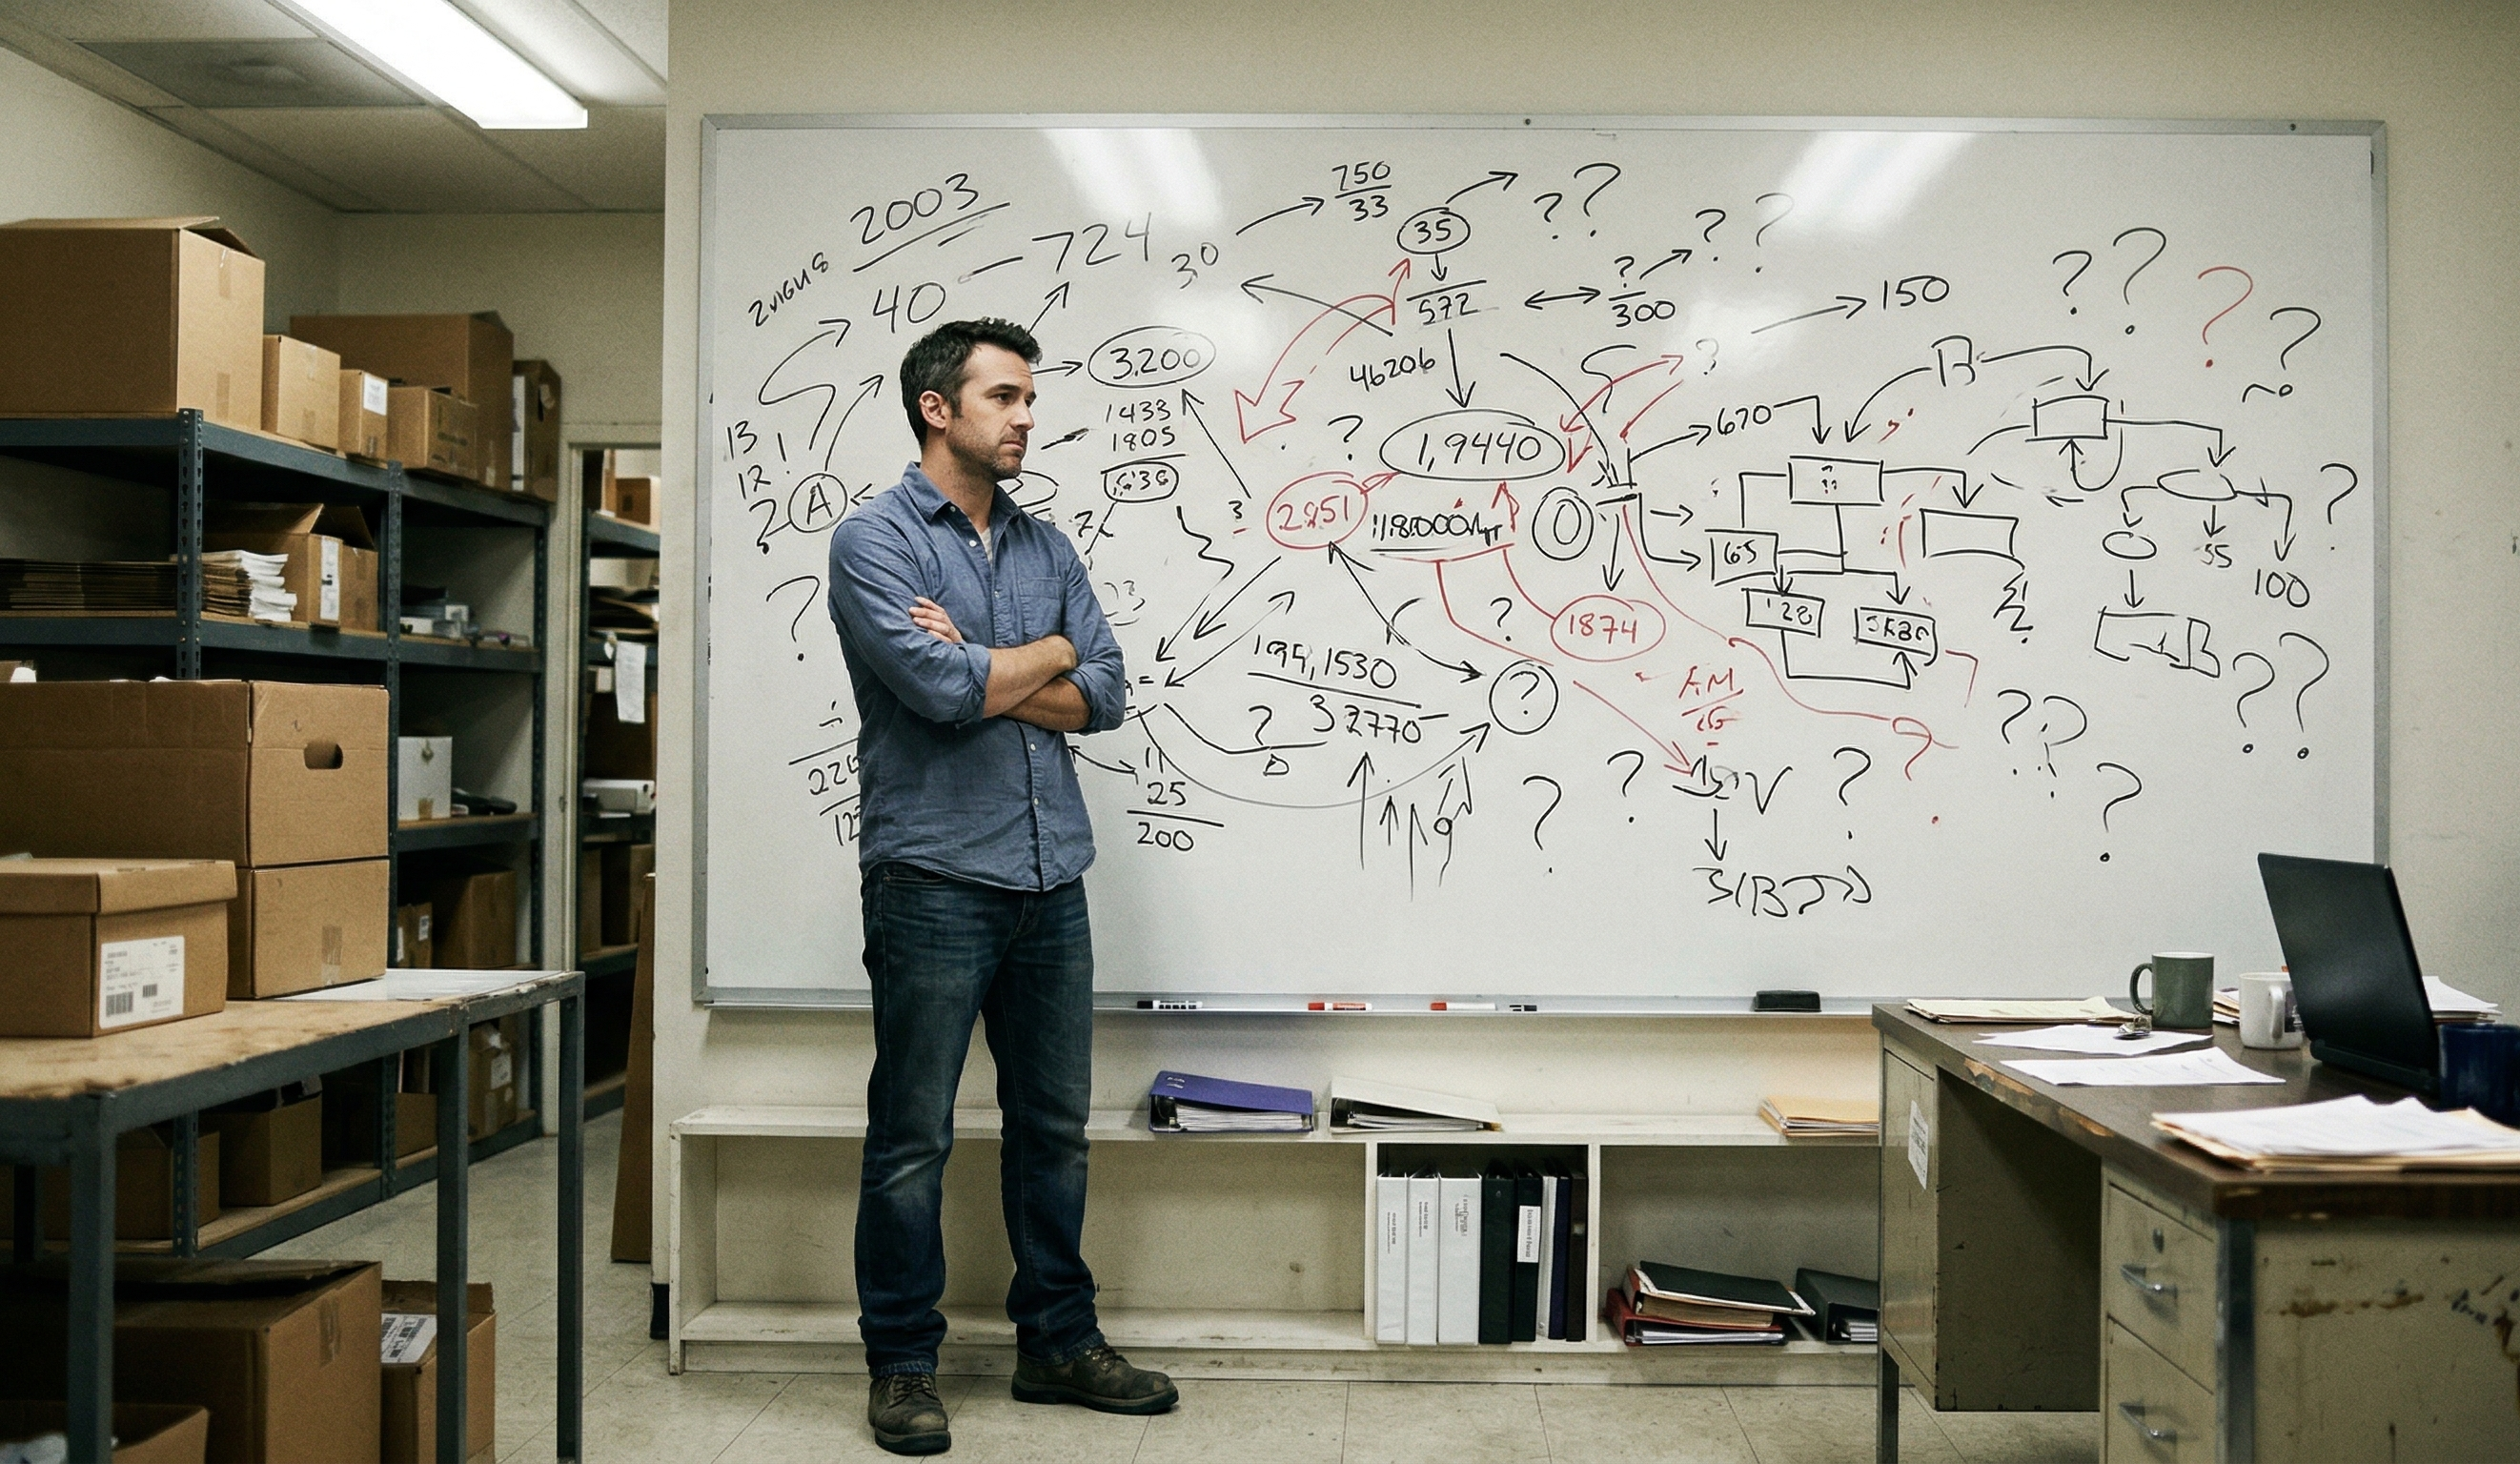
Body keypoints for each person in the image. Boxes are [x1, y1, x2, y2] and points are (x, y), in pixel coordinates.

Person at [824, 317, 1172, 1456]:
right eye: (1006, 396)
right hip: (931, 877)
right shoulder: (874, 541)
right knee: (912, 1135)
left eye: (1029, 398)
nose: (1029, 416)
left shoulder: (1045, 546)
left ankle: (1058, 1345)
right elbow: (928, 689)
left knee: (1053, 1132)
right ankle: (903, 1365)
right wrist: (1032, 659)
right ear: (939, 408)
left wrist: (1004, 668)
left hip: (1047, 876)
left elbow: (1108, 689)